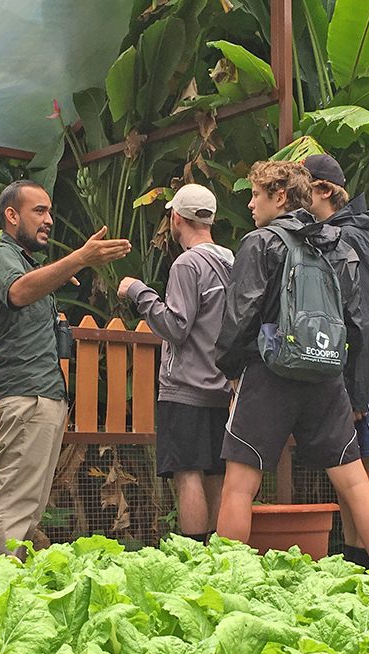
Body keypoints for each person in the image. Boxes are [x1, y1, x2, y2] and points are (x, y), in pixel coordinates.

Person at [213, 160, 369, 566]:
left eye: (256, 194)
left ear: (279, 196)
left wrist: (230, 371)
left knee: (240, 485)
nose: (250, 204)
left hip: (269, 372)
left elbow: (240, 315)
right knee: (354, 481)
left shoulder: (260, 242)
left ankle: (226, 581)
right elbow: (359, 322)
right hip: (326, 373)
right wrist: (349, 384)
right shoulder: (337, 244)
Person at [0, 181, 130, 556]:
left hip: (44, 395)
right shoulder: (1, 254)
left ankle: (12, 586)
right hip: (26, 395)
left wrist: (59, 273)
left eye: (49, 211)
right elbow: (17, 292)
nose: (48, 220)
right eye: (39, 211)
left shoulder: (29, 262)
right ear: (11, 216)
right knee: (15, 501)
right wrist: (78, 258)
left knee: (28, 506)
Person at [117, 183, 234, 542]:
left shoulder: (188, 263)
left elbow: (176, 326)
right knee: (215, 471)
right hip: (223, 387)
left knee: (188, 473)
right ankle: (217, 554)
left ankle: (193, 554)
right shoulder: (232, 259)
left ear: (176, 218)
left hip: (186, 388)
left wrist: (139, 293)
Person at [303, 154, 369, 567]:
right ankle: (352, 555)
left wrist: (358, 388)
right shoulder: (331, 234)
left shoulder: (353, 236)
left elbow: (364, 318)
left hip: (366, 366)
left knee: (368, 461)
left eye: (304, 185)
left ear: (325, 190)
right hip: (345, 366)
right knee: (347, 463)